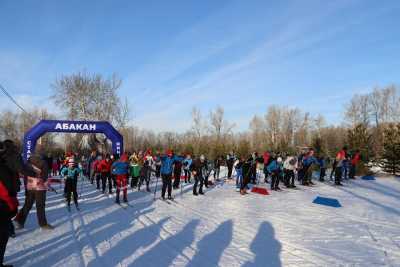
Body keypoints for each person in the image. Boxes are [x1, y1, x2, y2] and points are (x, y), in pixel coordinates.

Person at [0, 140, 39, 267]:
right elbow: (21, 168)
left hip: (5, 196)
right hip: (4, 198)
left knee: (4, 230)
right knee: (2, 233)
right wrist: (35, 174)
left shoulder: (4, 157)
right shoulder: (11, 155)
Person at [15, 154, 53, 230]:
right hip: (40, 187)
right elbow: (44, 176)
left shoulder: (28, 163)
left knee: (27, 204)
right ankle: (43, 224)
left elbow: (25, 175)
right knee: (40, 205)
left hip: (30, 186)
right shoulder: (44, 163)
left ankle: (19, 221)